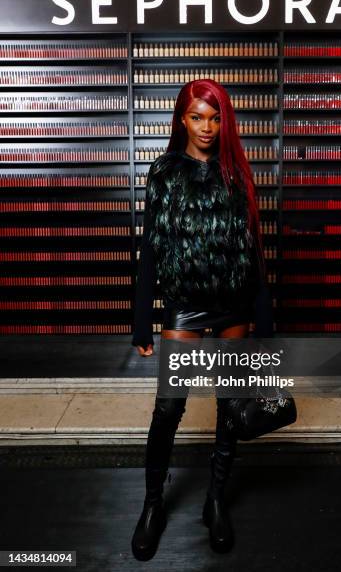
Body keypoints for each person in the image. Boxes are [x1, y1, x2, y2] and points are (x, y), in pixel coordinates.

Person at [130, 78, 274, 560]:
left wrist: (264, 320)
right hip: (185, 304)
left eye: (214, 117)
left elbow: (253, 250)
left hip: (234, 302)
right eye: (197, 116)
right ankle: (152, 506)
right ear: (181, 118)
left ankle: (215, 500)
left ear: (224, 120)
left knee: (230, 407)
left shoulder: (237, 172)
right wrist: (140, 319)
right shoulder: (164, 172)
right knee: (169, 408)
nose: (206, 127)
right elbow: (150, 248)